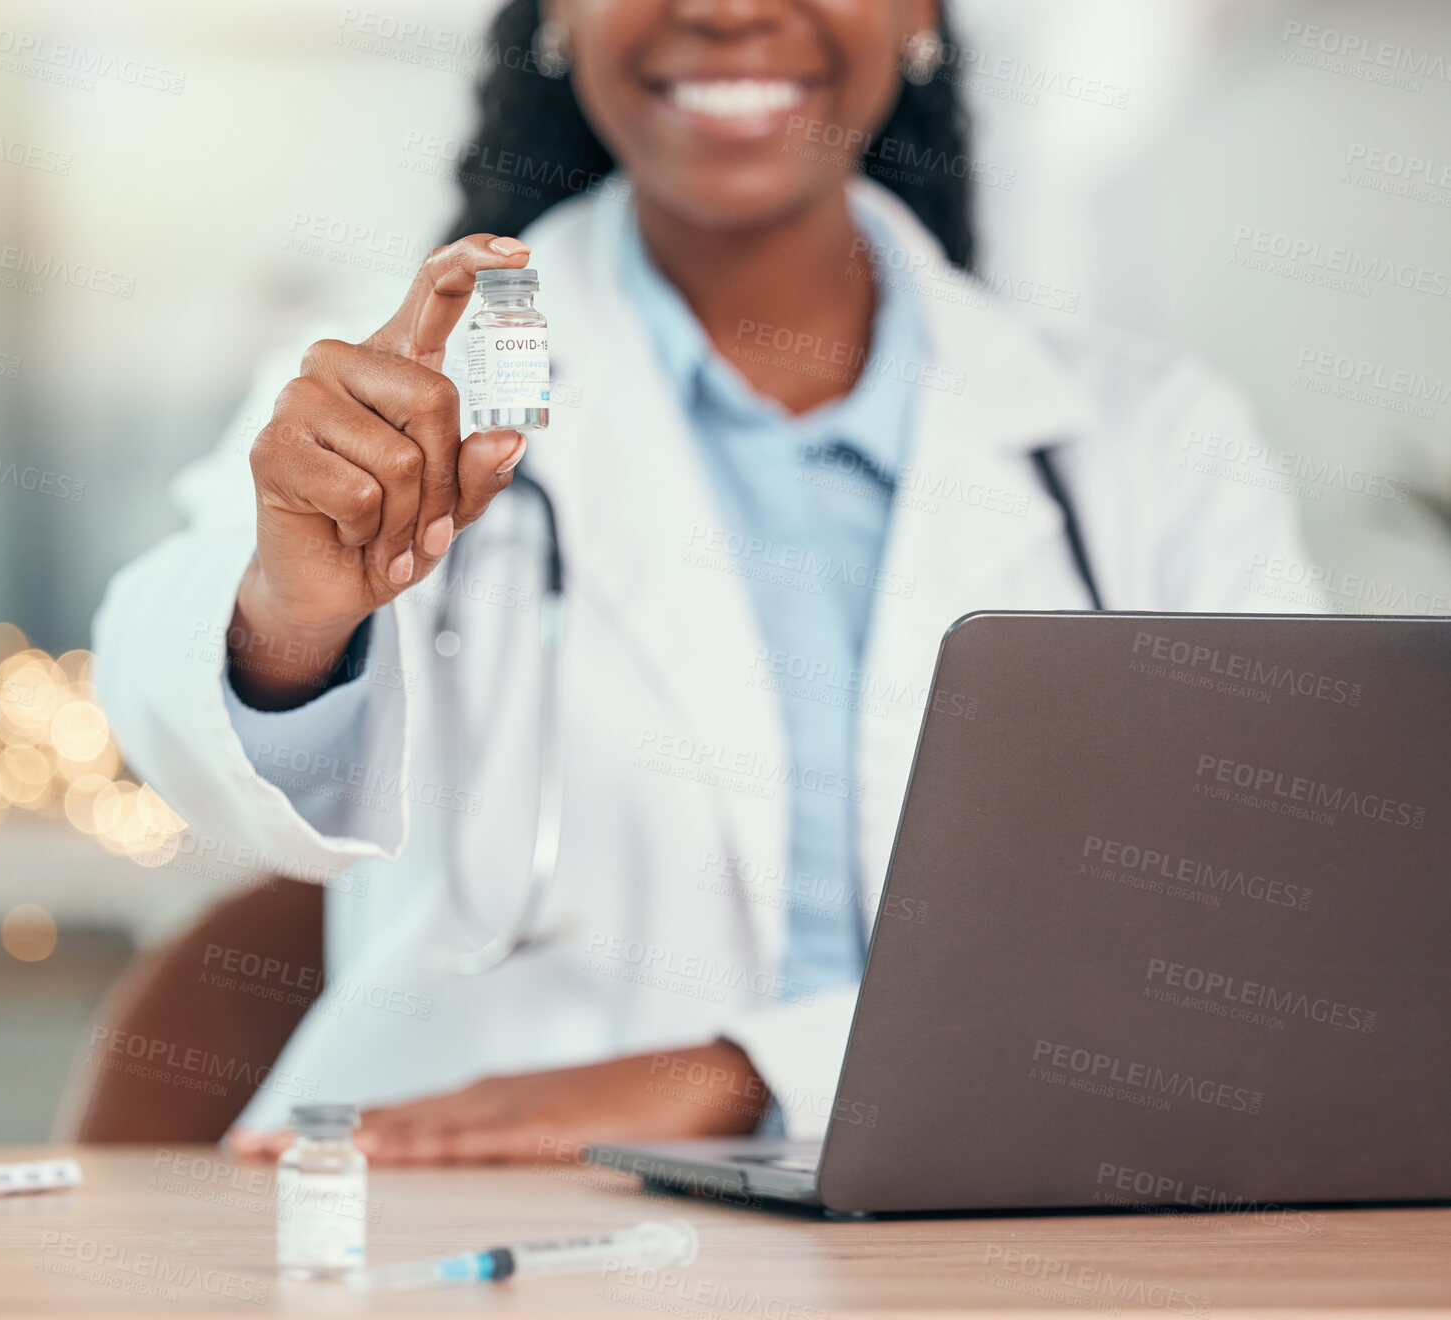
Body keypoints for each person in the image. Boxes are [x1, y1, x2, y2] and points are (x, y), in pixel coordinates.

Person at [93, 0, 1310, 1164]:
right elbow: (177, 700)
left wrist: (736, 1075)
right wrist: (292, 617)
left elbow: (1261, 928)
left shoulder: (1150, 444)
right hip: (514, 1243)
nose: (728, 8)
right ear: (556, 15)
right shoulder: (390, 394)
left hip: (1001, 1234)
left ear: (920, 14)